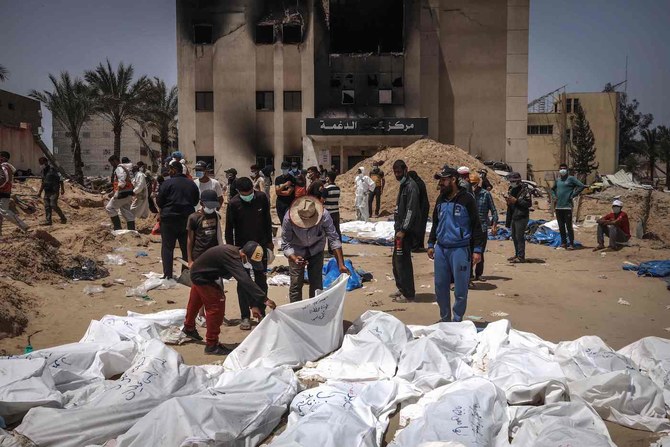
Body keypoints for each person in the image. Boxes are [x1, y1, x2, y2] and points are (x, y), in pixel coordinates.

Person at [182, 242, 277, 355]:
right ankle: (212, 345)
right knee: (217, 304)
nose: (250, 265)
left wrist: (253, 305)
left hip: (199, 273)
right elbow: (245, 281)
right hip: (202, 277)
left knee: (196, 300)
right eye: (250, 262)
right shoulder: (233, 258)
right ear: (243, 255)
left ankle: (189, 328)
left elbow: (244, 282)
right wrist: (265, 299)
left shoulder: (235, 254)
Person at [427, 165, 484, 322]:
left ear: (453, 180)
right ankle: (445, 318)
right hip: (441, 249)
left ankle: (457, 319)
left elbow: (476, 226)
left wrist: (477, 250)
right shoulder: (440, 200)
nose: (440, 184)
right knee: (440, 287)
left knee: (460, 289)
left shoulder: (467, 200)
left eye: (443, 180)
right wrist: (431, 243)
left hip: (460, 249)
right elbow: (435, 223)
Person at [225, 177, 273, 330]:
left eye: (250, 192)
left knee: (261, 279)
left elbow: (267, 220)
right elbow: (229, 229)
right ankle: (245, 315)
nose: (248, 195)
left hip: (260, 246)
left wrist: (269, 242)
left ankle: (261, 312)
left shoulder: (261, 198)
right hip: (242, 248)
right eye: (244, 194)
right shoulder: (233, 204)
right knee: (243, 282)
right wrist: (233, 249)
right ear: (238, 192)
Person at [281, 195, 347, 302]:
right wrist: (294, 258)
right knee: (296, 285)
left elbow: (334, 238)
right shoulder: (288, 218)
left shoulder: (324, 215)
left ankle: (314, 313)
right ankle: (296, 314)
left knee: (316, 284)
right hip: (296, 251)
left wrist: (341, 264)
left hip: (316, 250)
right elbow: (285, 243)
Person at [157, 160, 199, 279]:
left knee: (167, 247)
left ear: (174, 170)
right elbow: (195, 201)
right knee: (186, 248)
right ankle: (185, 274)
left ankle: (168, 275)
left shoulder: (167, 183)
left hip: (169, 220)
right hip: (187, 220)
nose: (169, 172)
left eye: (170, 169)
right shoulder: (191, 184)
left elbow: (159, 201)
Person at [390, 160, 421, 303]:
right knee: (396, 261)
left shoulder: (411, 186)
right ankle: (401, 287)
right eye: (395, 172)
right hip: (399, 230)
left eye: (399, 172)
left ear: (405, 170)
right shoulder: (403, 186)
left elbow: (410, 210)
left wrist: (403, 229)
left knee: (403, 262)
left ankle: (408, 293)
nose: (397, 175)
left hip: (406, 232)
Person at [470, 172, 498, 281]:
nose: (472, 186)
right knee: (469, 250)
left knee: (479, 251)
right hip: (470, 227)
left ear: (478, 183)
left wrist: (494, 224)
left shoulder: (485, 194)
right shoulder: (467, 194)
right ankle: (469, 274)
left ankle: (478, 273)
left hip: (482, 227)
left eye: (473, 183)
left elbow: (494, 210)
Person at [551, 163, 585, 250]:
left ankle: (571, 243)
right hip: (558, 207)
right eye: (561, 168)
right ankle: (563, 243)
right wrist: (554, 197)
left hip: (567, 206)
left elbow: (581, 186)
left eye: (564, 168)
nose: (562, 170)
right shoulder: (558, 180)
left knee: (569, 226)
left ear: (567, 170)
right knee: (561, 226)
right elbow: (552, 189)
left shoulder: (571, 179)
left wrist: (573, 194)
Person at [187, 189, 223, 267]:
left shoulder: (215, 216)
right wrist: (190, 260)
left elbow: (218, 235)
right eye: (209, 206)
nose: (211, 208)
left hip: (214, 253)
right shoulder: (193, 217)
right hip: (199, 255)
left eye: (213, 206)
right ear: (201, 204)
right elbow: (190, 239)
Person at [505, 172, 532, 263]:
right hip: (513, 215)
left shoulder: (525, 190)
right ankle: (517, 254)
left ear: (518, 181)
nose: (511, 182)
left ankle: (521, 256)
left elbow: (528, 204)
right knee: (514, 236)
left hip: (521, 216)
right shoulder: (511, 189)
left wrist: (516, 201)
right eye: (510, 181)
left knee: (519, 236)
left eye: (513, 181)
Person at [0, 151, 29, 236]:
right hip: (3, 192)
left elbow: (4, 179)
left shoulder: (4, 166)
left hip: (3, 193)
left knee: (3, 211)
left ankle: (24, 226)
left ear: (3, 157)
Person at [105, 155, 136, 230]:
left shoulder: (119, 168)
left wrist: (116, 192)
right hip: (128, 192)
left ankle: (117, 228)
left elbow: (122, 181)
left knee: (109, 208)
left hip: (122, 193)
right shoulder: (127, 168)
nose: (112, 165)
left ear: (115, 161)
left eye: (112, 163)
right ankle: (131, 230)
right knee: (128, 213)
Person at [38, 157, 66, 226]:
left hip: (54, 190)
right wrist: (40, 192)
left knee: (53, 205)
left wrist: (62, 189)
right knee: (47, 206)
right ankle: (48, 221)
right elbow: (43, 182)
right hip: (47, 191)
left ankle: (63, 218)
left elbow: (61, 179)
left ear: (46, 162)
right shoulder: (43, 171)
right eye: (40, 163)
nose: (41, 165)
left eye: (42, 163)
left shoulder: (53, 169)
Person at [408, 170, 429, 251]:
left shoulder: (417, 184)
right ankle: (418, 245)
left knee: (418, 227)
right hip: (422, 207)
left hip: (421, 208)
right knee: (420, 226)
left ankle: (416, 246)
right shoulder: (419, 182)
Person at [322, 171, 342, 243]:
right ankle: (338, 246)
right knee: (337, 230)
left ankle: (331, 250)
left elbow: (322, 201)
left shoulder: (326, 189)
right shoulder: (337, 188)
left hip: (328, 213)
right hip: (336, 212)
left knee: (329, 231)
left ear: (328, 178)